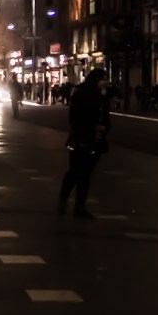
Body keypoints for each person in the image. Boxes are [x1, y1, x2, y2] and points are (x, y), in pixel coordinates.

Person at [58, 69, 111, 219]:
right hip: (81, 139)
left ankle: (79, 206)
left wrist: (104, 129)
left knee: (85, 174)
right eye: (103, 79)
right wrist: (92, 127)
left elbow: (105, 118)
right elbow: (75, 119)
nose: (106, 82)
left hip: (94, 140)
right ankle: (66, 203)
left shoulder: (102, 96)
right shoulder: (82, 94)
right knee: (76, 172)